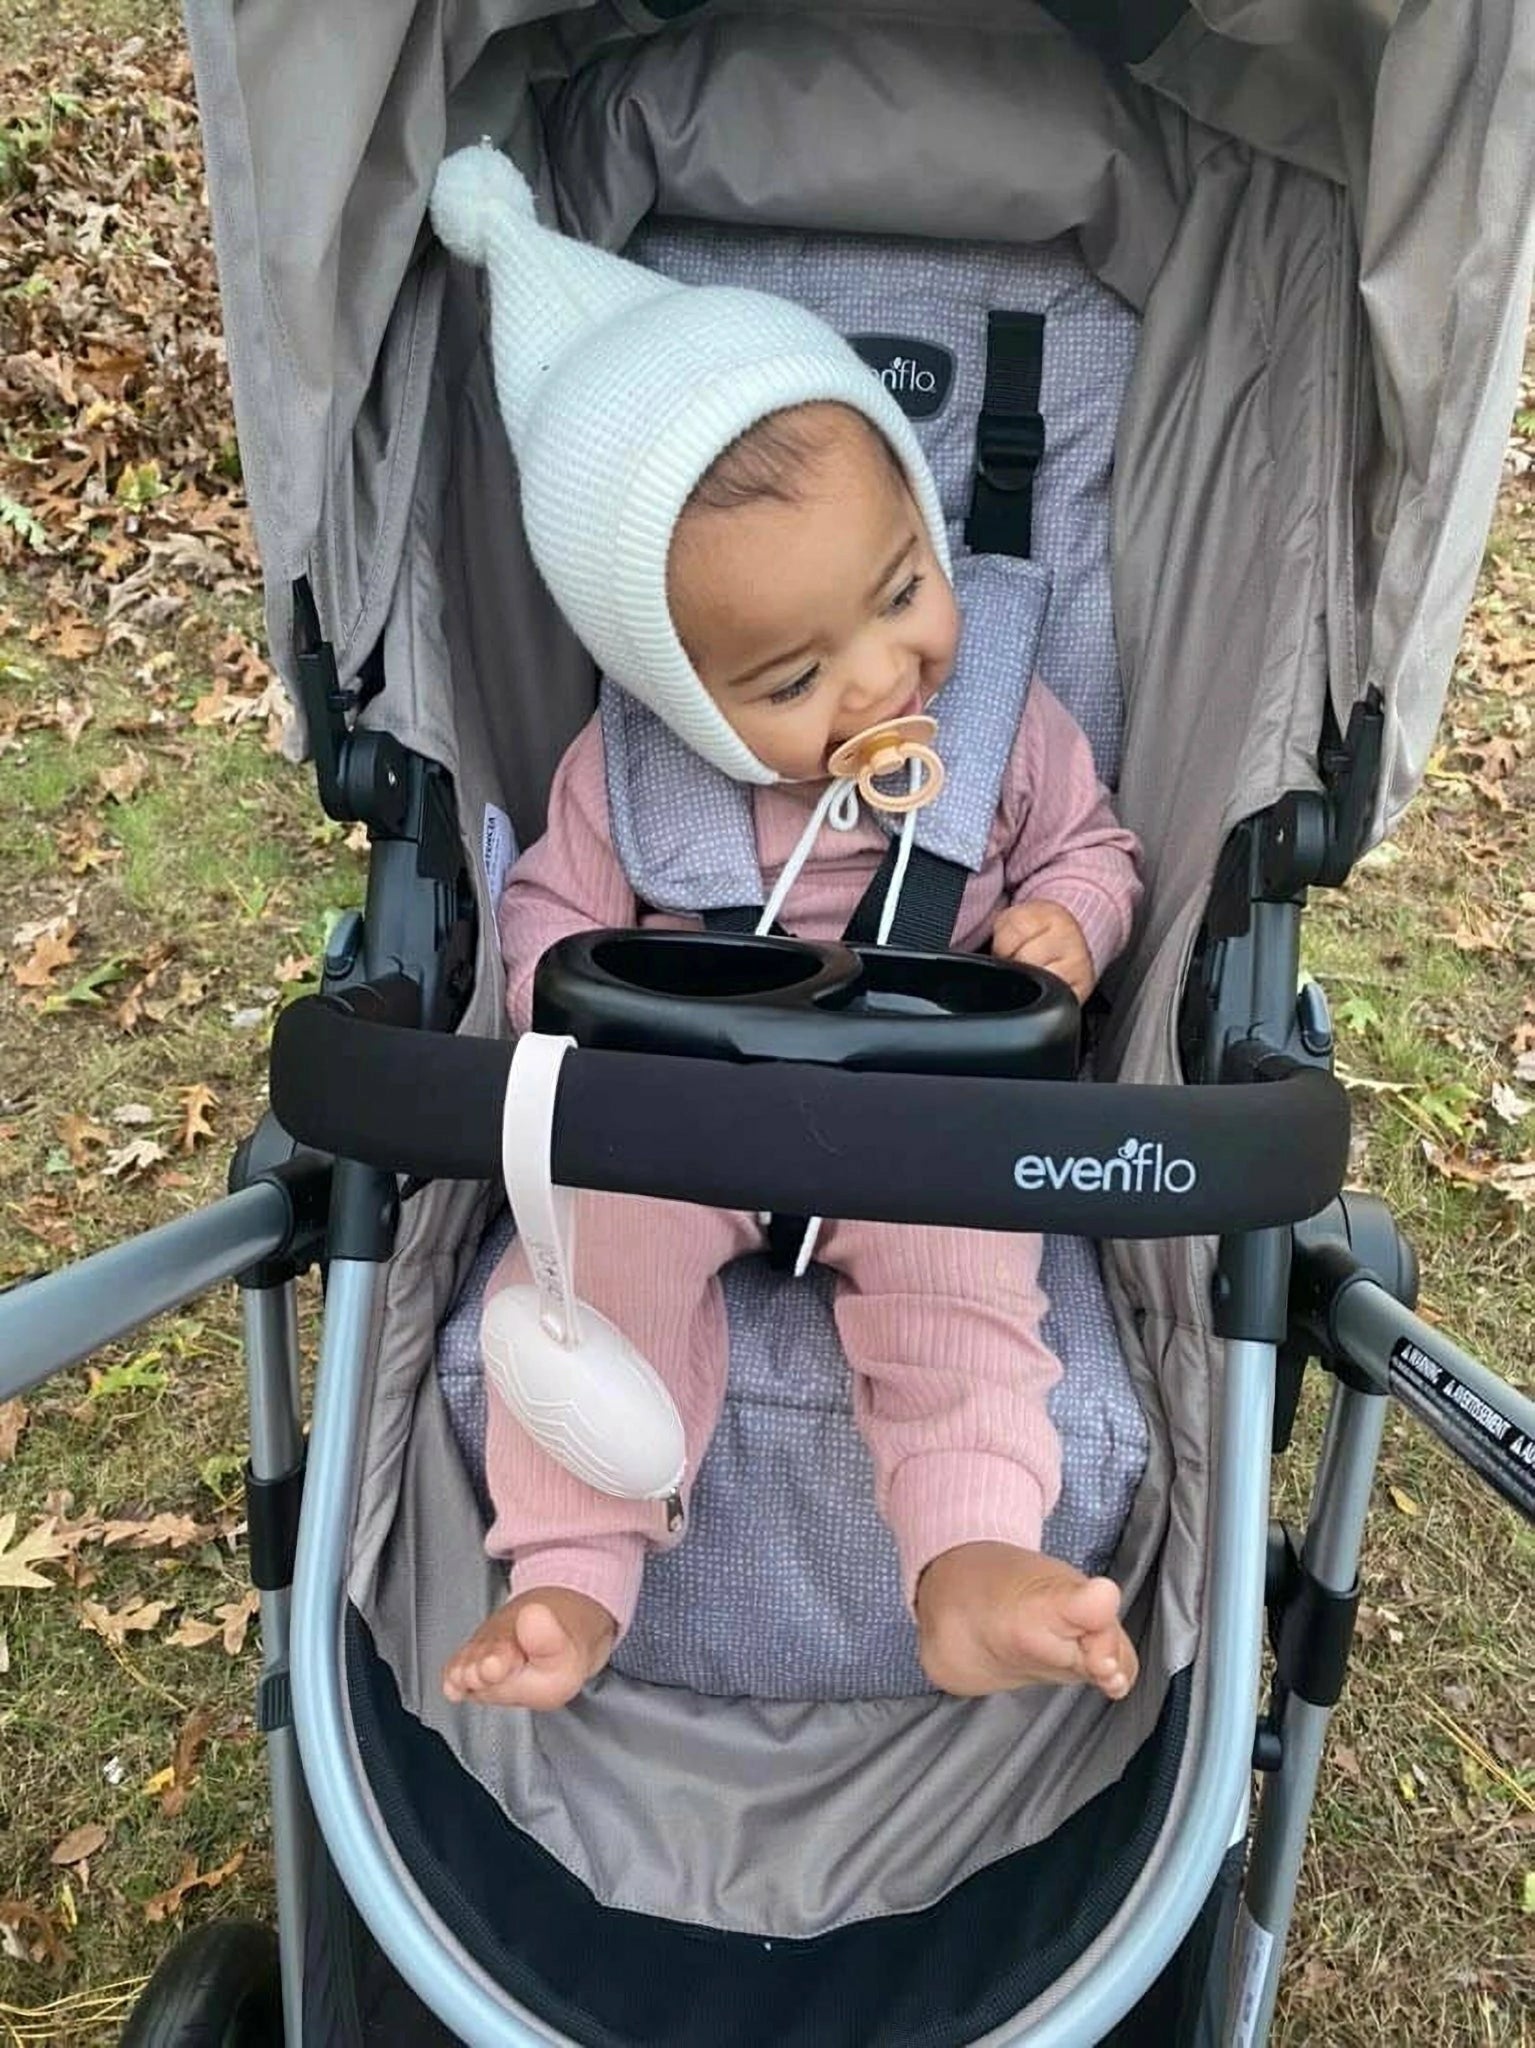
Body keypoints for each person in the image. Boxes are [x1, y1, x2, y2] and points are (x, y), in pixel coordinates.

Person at [429, 147, 1143, 1712]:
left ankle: (972, 1559)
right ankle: (571, 1576)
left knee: (966, 1290)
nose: (885, 677)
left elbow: (1098, 849)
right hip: (683, 1122)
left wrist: (1062, 923)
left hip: (910, 1114)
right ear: (680, 692)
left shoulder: (1002, 729)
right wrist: (561, 1016)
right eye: (793, 679)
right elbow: (556, 916)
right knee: (581, 1278)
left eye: (901, 591)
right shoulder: (623, 773)